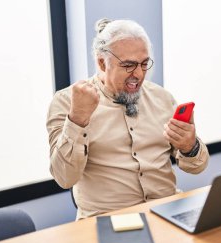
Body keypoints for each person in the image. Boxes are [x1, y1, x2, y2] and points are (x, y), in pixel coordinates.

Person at [46, 18, 210, 220]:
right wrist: (78, 119)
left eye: (143, 64)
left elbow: (197, 166)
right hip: (108, 220)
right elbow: (64, 177)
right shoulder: (67, 102)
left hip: (167, 211)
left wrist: (190, 146)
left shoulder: (162, 98)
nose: (139, 74)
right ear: (101, 63)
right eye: (129, 65)